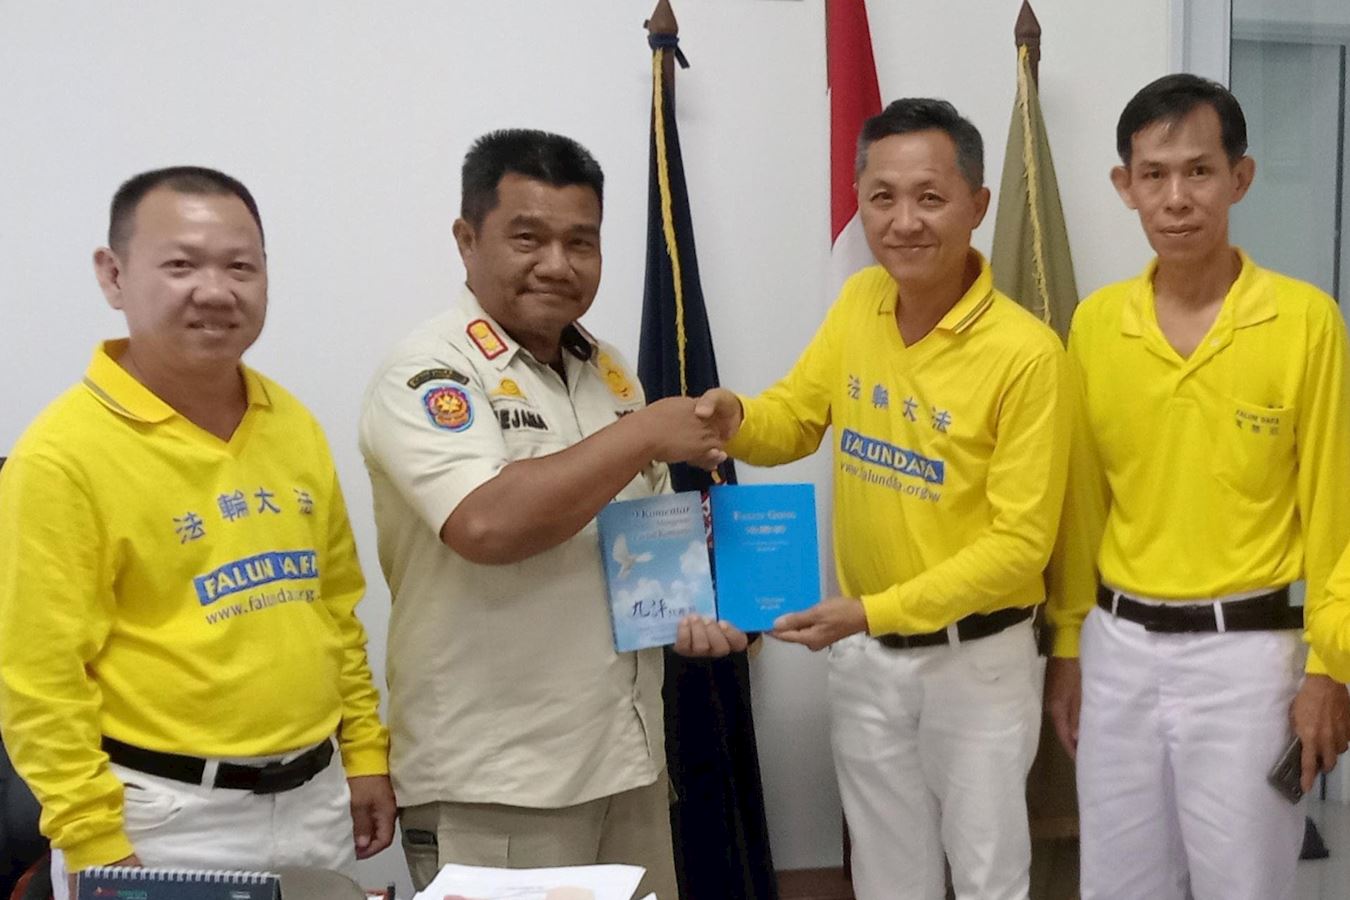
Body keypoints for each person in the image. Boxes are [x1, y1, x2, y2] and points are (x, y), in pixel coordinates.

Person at [696, 98, 1070, 900]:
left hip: (978, 663)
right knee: (887, 877)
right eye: (882, 197)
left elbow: (1019, 548)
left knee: (988, 878)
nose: (904, 222)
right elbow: (796, 417)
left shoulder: (1029, 355)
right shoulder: (861, 300)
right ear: (860, 201)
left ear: (978, 203)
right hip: (866, 657)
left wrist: (869, 612)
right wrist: (736, 420)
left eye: (930, 197)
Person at [358, 128, 743, 900]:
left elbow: (643, 539)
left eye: (581, 242)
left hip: (625, 760)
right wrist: (643, 433)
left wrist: (696, 616)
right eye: (528, 238)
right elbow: (486, 523)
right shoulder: (429, 372)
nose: (558, 264)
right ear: (467, 240)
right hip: (501, 781)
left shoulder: (608, 374)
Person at [0, 167, 395, 900]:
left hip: (316, 798)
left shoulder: (292, 423)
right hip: (162, 821)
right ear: (113, 275)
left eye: (240, 267)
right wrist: (93, 841)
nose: (215, 291)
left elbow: (335, 610)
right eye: (181, 264)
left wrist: (365, 753)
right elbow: (40, 681)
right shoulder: (60, 456)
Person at [1044, 73, 1350, 900]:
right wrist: (1068, 647)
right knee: (1118, 882)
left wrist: (1331, 667)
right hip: (1117, 650)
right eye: (1154, 174)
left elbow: (1338, 512)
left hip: (1248, 659)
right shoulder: (1097, 325)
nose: (1176, 198)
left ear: (1239, 178)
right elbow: (1083, 504)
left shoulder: (1306, 322)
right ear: (1126, 186)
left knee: (1242, 883)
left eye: (1199, 171)